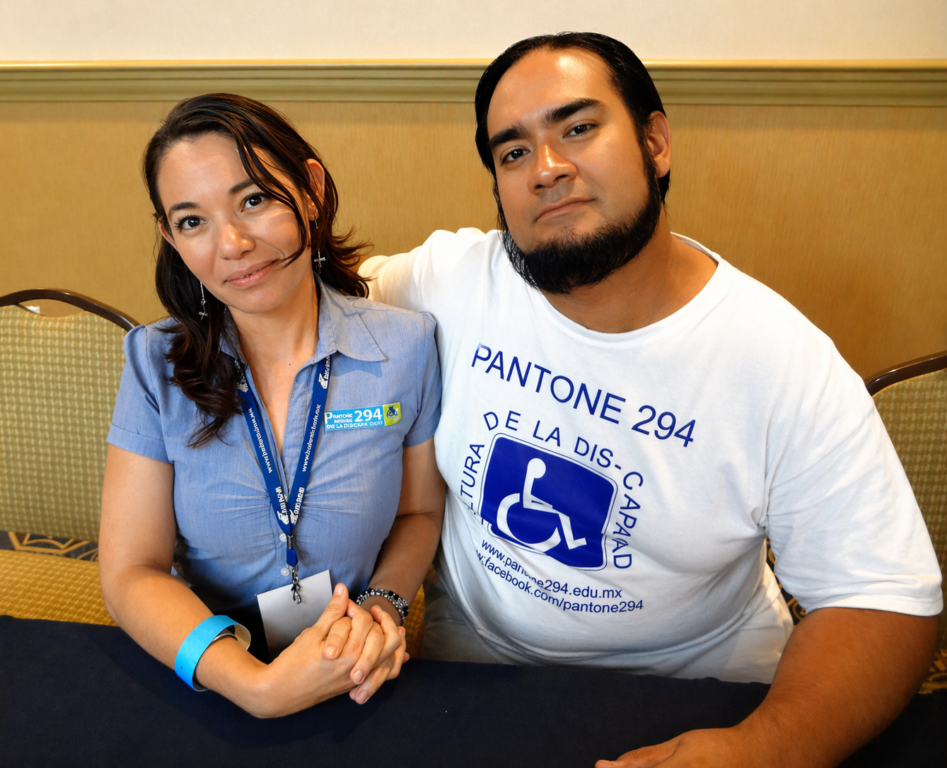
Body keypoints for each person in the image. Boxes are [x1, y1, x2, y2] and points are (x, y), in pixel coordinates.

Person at [360, 33, 942, 767]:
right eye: (512, 152)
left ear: (655, 142)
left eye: (578, 128)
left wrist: (762, 749)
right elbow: (308, 302)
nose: (547, 169)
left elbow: (883, 598)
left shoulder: (780, 359)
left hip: (705, 684)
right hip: (477, 672)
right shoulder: (448, 281)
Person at [99, 94, 445, 718]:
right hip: (210, 655)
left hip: (356, 655)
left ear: (311, 190)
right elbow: (131, 570)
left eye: (253, 200)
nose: (231, 244)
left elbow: (419, 512)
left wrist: (382, 608)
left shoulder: (406, 345)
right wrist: (254, 687)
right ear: (169, 237)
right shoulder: (155, 362)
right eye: (192, 221)